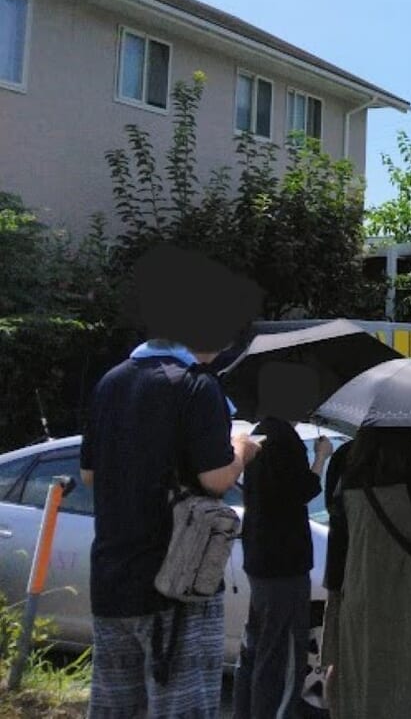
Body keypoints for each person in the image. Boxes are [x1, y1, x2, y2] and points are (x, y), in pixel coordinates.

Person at [80, 245, 262, 719]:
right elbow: (216, 479)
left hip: (112, 579)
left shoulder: (112, 381)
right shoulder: (196, 386)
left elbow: (89, 473)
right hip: (177, 583)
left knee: (115, 709)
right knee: (182, 709)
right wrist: (242, 450)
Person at [321, 426, 411, 718]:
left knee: (365, 690)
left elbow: (337, 550)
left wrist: (332, 625)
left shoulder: (345, 470)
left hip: (360, 600)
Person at [233, 364, 333, 719]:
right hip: (284, 564)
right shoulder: (283, 440)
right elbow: (301, 491)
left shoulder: (257, 435)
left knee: (256, 647)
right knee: (284, 656)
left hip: (259, 558)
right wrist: (320, 457)